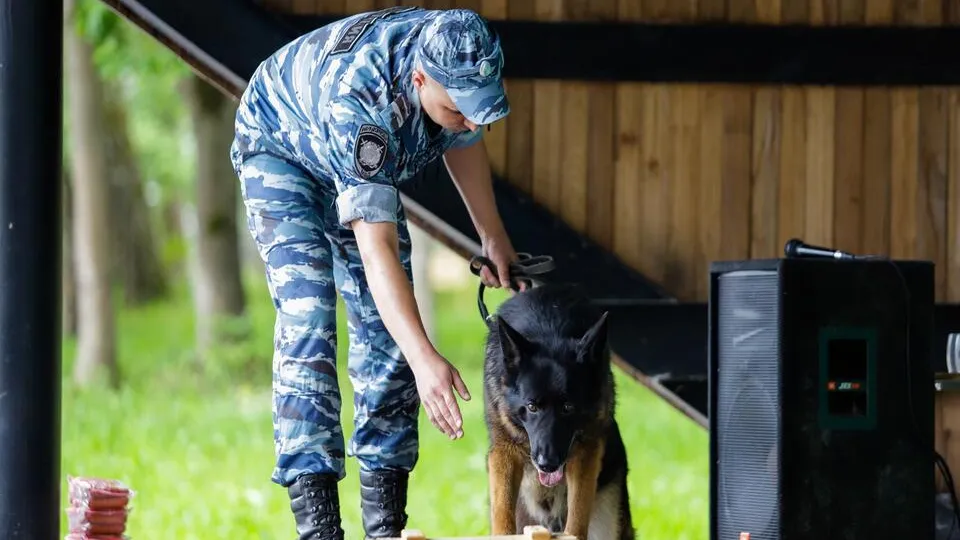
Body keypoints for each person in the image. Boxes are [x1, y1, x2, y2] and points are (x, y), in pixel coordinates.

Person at [229, 6, 521, 540]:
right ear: (419, 79)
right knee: (309, 316)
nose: (473, 121)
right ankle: (319, 526)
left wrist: (491, 236)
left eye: (481, 109)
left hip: (344, 156)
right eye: (460, 110)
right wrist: (425, 358)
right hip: (280, 148)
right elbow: (377, 249)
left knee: (386, 329)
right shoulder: (362, 106)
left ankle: (385, 528)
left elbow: (466, 142)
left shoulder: (455, 49)